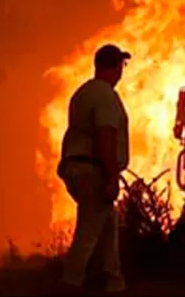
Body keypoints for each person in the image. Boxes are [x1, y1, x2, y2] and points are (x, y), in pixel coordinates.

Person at [57, 44, 131, 293]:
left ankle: (114, 282)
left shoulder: (83, 93)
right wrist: (111, 176)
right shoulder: (105, 96)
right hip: (93, 171)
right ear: (116, 66)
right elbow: (105, 136)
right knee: (89, 231)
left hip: (77, 167)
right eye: (122, 65)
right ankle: (71, 282)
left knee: (108, 226)